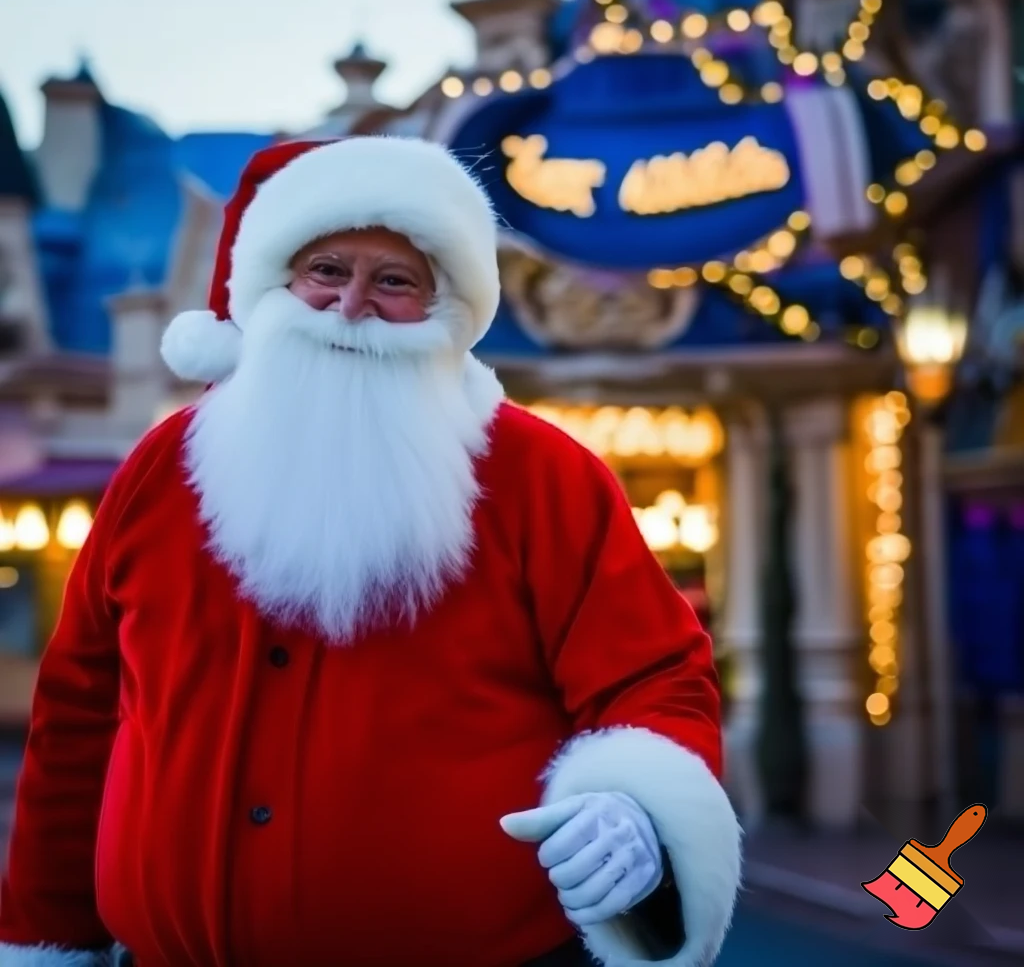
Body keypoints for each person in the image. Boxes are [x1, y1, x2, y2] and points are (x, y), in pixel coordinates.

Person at [0, 137, 741, 967]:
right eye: (326, 269)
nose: (351, 306)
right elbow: (78, 717)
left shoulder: (540, 476)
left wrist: (636, 803)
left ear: (444, 305)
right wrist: (44, 937)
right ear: (274, 283)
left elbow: (654, 676)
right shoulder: (163, 469)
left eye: (394, 280)